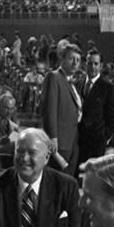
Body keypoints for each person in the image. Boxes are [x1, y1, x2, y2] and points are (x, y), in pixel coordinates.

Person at [40, 44, 82, 175]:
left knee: (67, 181)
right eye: (71, 58)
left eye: (78, 60)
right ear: (62, 59)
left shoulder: (71, 82)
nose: (75, 63)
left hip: (72, 140)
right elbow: (49, 110)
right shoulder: (53, 77)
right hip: (59, 142)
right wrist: (53, 137)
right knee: (57, 180)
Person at [77, 50, 114, 164]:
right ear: (85, 64)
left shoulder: (109, 88)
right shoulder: (78, 83)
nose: (92, 67)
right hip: (77, 140)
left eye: (96, 64)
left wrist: (103, 136)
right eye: (89, 63)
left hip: (96, 143)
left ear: (101, 66)